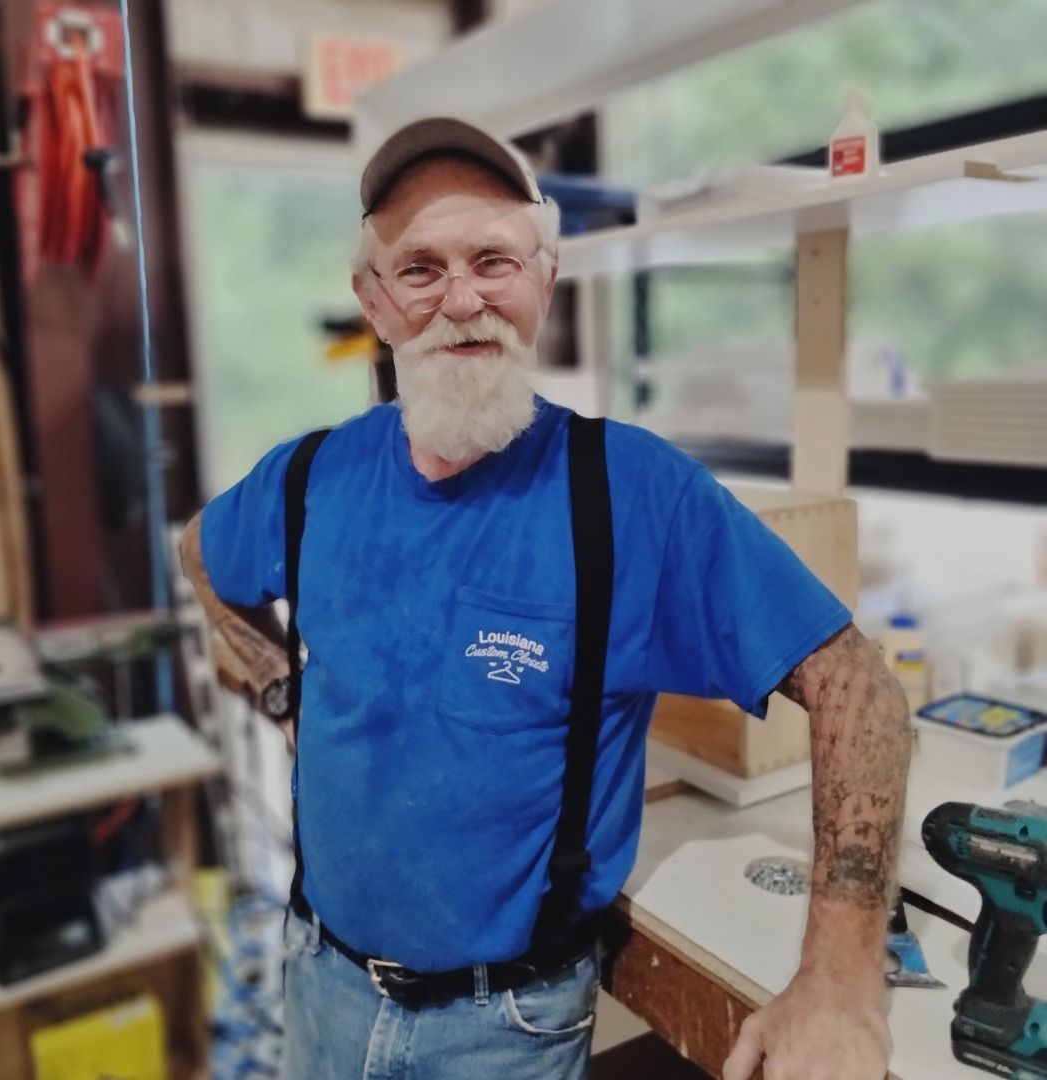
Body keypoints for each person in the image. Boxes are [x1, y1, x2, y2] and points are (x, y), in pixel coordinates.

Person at [180, 116, 912, 1080]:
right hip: (318, 985)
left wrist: (838, 983)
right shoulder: (309, 477)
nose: (462, 301)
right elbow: (200, 556)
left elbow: (861, 690)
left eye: (494, 261)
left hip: (505, 1031)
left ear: (545, 282)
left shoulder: (633, 496)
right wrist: (282, 690)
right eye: (420, 269)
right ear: (374, 301)